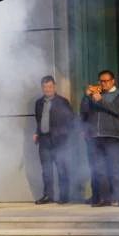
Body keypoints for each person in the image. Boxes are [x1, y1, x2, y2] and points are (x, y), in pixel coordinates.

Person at [80, 69, 119, 207]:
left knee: (115, 168)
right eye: (101, 81)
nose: (104, 83)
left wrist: (100, 100)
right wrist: (86, 96)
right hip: (95, 135)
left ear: (113, 81)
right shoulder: (95, 94)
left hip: (111, 135)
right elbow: (84, 111)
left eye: (106, 81)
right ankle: (104, 198)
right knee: (99, 169)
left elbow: (117, 109)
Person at [32, 76, 74, 204]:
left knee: (62, 169)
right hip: (44, 140)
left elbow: (70, 121)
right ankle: (48, 196)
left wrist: (64, 135)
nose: (47, 89)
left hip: (59, 141)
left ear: (54, 87)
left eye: (50, 86)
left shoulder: (63, 102)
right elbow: (39, 120)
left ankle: (64, 196)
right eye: (45, 87)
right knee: (46, 170)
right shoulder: (39, 103)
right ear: (42, 88)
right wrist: (37, 132)